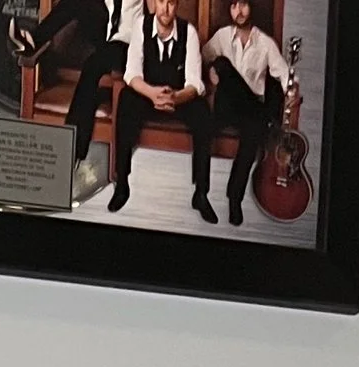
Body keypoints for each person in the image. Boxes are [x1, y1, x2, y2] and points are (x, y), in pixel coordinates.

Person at [6, 0, 139, 187]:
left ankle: (73, 151)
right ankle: (33, 42)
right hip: (106, 34)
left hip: (129, 44)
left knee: (92, 67)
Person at [110, 0, 215, 221]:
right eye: (160, 1)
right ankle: (122, 184)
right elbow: (131, 74)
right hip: (148, 95)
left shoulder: (189, 32)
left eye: (170, 3)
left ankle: (201, 193)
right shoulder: (141, 25)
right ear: (153, 3)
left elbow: (195, 83)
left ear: (176, 5)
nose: (165, 8)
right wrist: (152, 93)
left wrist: (175, 97)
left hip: (177, 96)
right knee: (126, 99)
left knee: (202, 112)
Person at [201, 0, 291, 230]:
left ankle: (234, 199)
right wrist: (210, 69)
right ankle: (264, 119)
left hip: (249, 110)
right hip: (227, 108)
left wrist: (292, 92)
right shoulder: (222, 36)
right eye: (233, 6)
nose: (238, 11)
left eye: (243, 5)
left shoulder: (265, 43)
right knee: (220, 62)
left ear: (252, 7)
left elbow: (284, 76)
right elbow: (200, 58)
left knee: (252, 130)